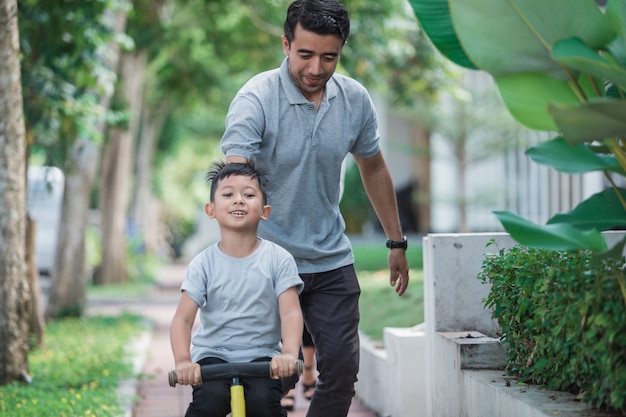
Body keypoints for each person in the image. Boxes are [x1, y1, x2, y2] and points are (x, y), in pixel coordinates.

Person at [220, 0, 410, 415]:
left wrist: (396, 241)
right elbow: (235, 177)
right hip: (267, 260)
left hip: (329, 259)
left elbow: (373, 167)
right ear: (286, 43)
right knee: (272, 378)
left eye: (329, 57)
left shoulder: (354, 100)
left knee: (341, 371)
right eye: (305, 54)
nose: (316, 68)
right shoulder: (256, 97)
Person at [170, 162, 304, 417]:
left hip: (263, 358)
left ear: (265, 211)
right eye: (228, 194)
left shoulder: (279, 259)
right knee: (209, 401)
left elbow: (290, 313)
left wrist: (287, 354)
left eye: (249, 194)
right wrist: (183, 362)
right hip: (213, 357)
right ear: (211, 209)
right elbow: (183, 319)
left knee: (264, 404)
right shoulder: (203, 263)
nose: (238, 200)